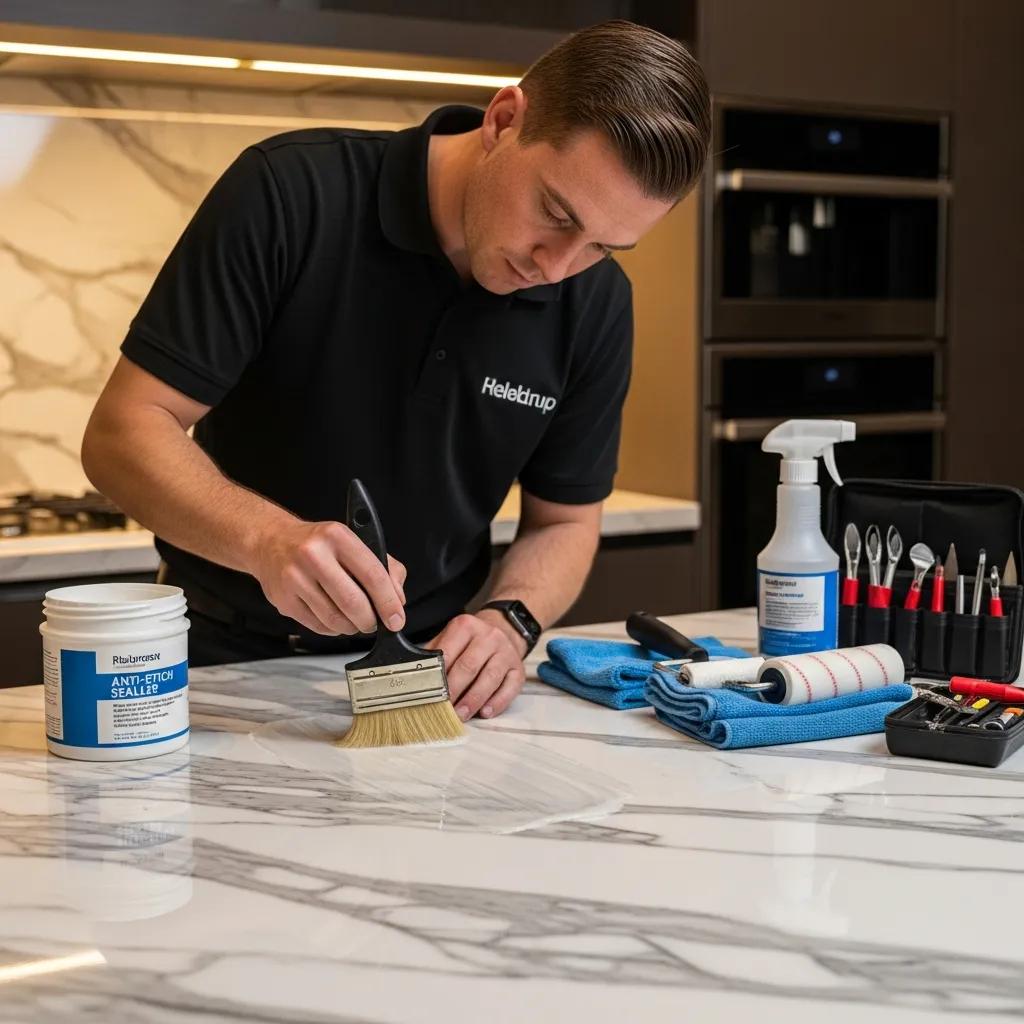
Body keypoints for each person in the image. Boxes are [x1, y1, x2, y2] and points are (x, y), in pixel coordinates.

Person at [81, 19, 711, 722]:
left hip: (425, 676)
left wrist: (511, 621)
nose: (555, 267)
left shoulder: (594, 302)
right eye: (555, 212)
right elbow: (121, 433)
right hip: (215, 667)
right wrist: (267, 541)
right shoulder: (291, 193)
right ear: (504, 120)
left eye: (603, 245)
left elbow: (564, 522)